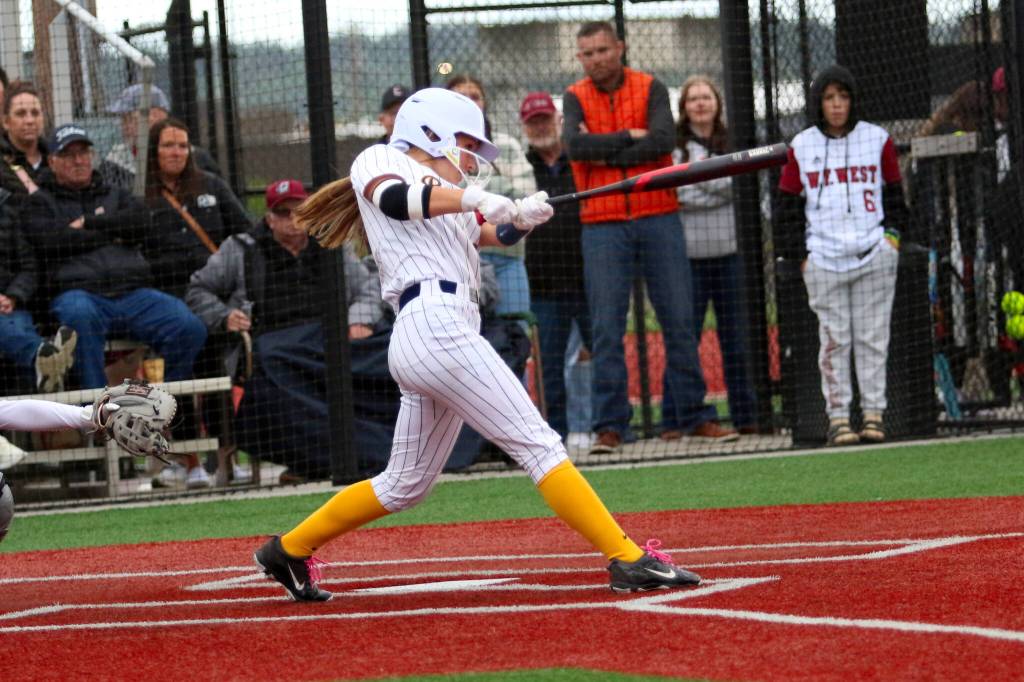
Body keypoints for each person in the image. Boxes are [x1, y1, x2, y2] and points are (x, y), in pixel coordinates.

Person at [251, 87, 701, 601]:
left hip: (439, 331)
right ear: (431, 130)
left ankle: (286, 550)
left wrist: (519, 220)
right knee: (538, 444)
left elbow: (484, 235)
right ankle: (626, 558)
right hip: (433, 324)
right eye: (464, 141)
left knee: (405, 484)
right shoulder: (382, 159)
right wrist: (477, 199)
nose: (470, 155)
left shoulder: (446, 188)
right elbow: (397, 200)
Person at [563, 21, 736, 454]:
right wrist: (627, 138)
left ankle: (693, 416)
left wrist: (604, 146)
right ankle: (611, 426)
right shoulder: (574, 95)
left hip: (659, 215)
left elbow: (661, 142)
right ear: (580, 57)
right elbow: (574, 148)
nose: (597, 58)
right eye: (588, 53)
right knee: (605, 328)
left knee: (679, 320)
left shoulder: (651, 86)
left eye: (603, 49)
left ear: (619, 47)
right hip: (601, 222)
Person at [186, 179, 383, 481]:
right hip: (274, 345)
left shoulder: (331, 244)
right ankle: (312, 462)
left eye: (299, 211)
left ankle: (387, 451)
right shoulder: (240, 249)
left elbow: (368, 286)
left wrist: (359, 320)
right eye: (283, 213)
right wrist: (225, 316)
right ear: (269, 218)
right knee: (276, 371)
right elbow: (198, 289)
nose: (292, 220)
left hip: (331, 338)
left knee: (387, 352)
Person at [776, 65, 909, 445]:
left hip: (873, 254)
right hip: (824, 258)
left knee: (872, 337)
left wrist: (892, 241)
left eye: (843, 97)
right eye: (829, 98)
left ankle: (873, 414)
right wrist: (802, 256)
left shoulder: (877, 139)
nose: (837, 106)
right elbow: (786, 207)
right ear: (819, 103)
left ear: (853, 101)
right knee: (834, 341)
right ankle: (838, 418)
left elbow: (896, 197)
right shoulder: (801, 146)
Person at [22, 125, 208, 389]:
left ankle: (160, 407)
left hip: (133, 293)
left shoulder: (115, 193)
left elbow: (141, 222)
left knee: (190, 327)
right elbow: (53, 242)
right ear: (52, 161)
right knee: (78, 318)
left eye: (84, 153)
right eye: (69, 154)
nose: (78, 160)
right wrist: (113, 232)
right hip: (80, 295)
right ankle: (97, 416)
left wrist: (89, 223)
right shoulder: (39, 202)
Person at [665, 75, 757, 437]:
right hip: (688, 259)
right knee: (684, 338)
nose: (701, 103)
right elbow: (677, 193)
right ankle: (674, 420)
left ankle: (747, 415)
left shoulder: (733, 141)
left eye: (706, 97)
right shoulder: (674, 148)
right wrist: (720, 181)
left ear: (717, 103)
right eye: (693, 99)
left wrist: (696, 181)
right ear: (684, 107)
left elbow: (742, 186)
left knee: (736, 337)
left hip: (729, 254)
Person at [518, 91, 592, 441]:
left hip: (588, 279)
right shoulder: (522, 166)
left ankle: (607, 427)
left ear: (558, 120)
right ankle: (555, 435)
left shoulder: (580, 158)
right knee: (549, 365)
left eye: (545, 119)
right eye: (534, 122)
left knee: (600, 355)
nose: (541, 127)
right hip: (543, 285)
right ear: (525, 127)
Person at [446, 74, 536, 321]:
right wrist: (495, 195)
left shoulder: (507, 144)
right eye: (460, 96)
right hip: (459, 260)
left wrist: (474, 197)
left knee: (516, 330)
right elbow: (444, 197)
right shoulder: (438, 149)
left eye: (474, 96)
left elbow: (525, 199)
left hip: (508, 256)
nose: (469, 102)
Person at [144, 118, 252, 297]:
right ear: (154, 151)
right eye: (168, 145)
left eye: (183, 146)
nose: (176, 153)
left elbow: (243, 228)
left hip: (215, 284)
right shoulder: (139, 195)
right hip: (166, 289)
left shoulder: (211, 184)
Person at [0, 192, 77, 392]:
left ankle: (46, 365)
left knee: (18, 329)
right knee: (13, 334)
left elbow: (28, 266)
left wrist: (13, 296)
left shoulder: (7, 212)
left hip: (9, 306)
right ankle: (46, 356)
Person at [101, 83, 222, 190]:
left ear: (154, 117)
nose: (123, 127)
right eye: (123, 120)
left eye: (128, 119)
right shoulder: (114, 163)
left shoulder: (195, 158)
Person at [1, 82, 48, 210]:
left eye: (35, 113)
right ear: (5, 122)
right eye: (21, 114)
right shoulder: (2, 164)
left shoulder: (57, 158)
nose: (30, 120)